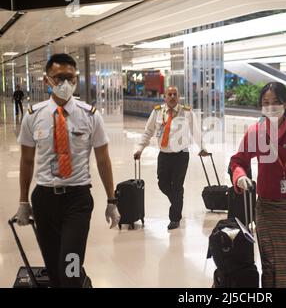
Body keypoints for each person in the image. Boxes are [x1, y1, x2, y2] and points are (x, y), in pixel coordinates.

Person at [15, 53, 121, 288]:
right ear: (47, 81)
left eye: (69, 78)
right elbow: (26, 161)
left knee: (71, 268)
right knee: (54, 271)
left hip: (77, 200)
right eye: (58, 77)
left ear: (76, 80)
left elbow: (103, 160)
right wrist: (24, 201)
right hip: (44, 200)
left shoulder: (90, 115)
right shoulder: (33, 116)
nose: (64, 83)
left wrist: (112, 200)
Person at [229, 82, 286, 288]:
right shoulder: (256, 132)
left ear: (285, 104)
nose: (271, 107)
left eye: (276, 102)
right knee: (270, 262)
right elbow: (238, 161)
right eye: (265, 103)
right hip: (267, 209)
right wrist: (240, 176)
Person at [134, 86, 208, 230]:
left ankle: (175, 218)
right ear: (165, 97)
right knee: (163, 184)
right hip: (164, 154)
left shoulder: (187, 112)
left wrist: (202, 148)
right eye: (169, 94)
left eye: (175, 94)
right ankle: (177, 202)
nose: (172, 96)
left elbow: (195, 132)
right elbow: (148, 131)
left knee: (177, 186)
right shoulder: (157, 112)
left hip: (181, 155)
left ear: (178, 97)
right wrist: (140, 149)